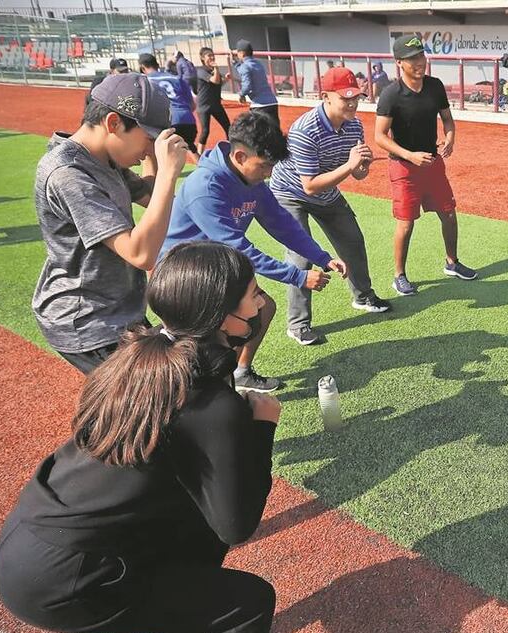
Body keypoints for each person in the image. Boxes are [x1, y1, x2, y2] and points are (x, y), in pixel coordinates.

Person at [0, 241, 281, 633]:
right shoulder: (207, 403)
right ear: (222, 314)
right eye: (254, 294)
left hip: (28, 539)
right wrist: (262, 429)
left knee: (195, 528)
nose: (261, 302)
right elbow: (236, 525)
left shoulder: (139, 355)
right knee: (249, 604)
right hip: (65, 579)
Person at [162, 111, 347, 390]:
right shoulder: (206, 186)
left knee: (261, 309)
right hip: (184, 273)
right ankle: (197, 388)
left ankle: (238, 374)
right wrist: (297, 277)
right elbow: (238, 247)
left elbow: (281, 223)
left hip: (218, 262)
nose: (269, 173)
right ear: (239, 157)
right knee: (209, 335)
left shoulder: (253, 181)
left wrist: (322, 257)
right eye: (264, 166)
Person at [33, 73, 188, 374]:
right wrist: (168, 173)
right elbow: (141, 254)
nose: (149, 149)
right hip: (88, 319)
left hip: (119, 309)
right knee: (144, 405)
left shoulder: (102, 158)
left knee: (150, 399)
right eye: (147, 138)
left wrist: (155, 160)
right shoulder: (68, 172)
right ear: (113, 123)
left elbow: (150, 197)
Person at [271, 67, 391, 346]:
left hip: (327, 193)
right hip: (291, 193)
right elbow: (310, 185)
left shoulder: (354, 125)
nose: (352, 103)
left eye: (356, 97)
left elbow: (357, 174)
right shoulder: (305, 130)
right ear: (325, 96)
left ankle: (363, 296)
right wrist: (350, 165)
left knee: (352, 240)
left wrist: (362, 165)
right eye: (345, 98)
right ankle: (298, 323)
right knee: (300, 256)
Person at [375, 34, 476, 297]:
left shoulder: (435, 86)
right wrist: (409, 155)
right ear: (399, 63)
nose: (419, 62)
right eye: (412, 59)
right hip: (404, 168)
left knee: (449, 213)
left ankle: (451, 262)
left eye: (421, 55)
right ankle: (399, 275)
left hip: (433, 163)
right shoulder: (390, 95)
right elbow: (379, 137)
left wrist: (451, 138)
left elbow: (448, 121)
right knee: (406, 223)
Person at [139, 52, 198, 153]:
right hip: (187, 119)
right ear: (157, 65)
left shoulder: (145, 82)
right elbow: (192, 105)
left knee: (156, 154)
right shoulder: (176, 78)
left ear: (142, 67)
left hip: (167, 122)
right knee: (190, 149)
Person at [232, 39, 279, 129]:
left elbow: (247, 86)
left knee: (258, 133)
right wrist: (236, 64)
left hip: (259, 106)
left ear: (242, 53)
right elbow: (245, 70)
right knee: (275, 132)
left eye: (237, 52)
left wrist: (241, 94)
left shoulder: (245, 66)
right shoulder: (258, 63)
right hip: (272, 103)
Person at [195, 46, 231, 154]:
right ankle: (199, 155)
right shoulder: (201, 71)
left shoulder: (213, 70)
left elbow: (219, 83)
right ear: (202, 58)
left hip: (216, 105)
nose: (212, 58)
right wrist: (217, 68)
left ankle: (231, 150)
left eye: (212, 55)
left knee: (228, 127)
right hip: (204, 106)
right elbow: (215, 81)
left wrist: (226, 79)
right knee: (205, 131)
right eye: (209, 56)